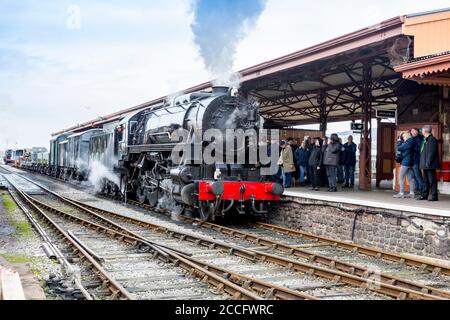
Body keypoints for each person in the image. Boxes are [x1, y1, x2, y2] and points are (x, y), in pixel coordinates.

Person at [418, 125, 440, 201]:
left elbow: (431, 152)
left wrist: (428, 163)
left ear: (425, 131)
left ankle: (434, 196)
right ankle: (425, 195)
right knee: (425, 181)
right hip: (425, 164)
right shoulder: (425, 140)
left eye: (422, 130)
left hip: (430, 164)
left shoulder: (431, 139)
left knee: (432, 181)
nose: (421, 131)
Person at [394, 132, 415, 198]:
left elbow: (399, 148)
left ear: (405, 136)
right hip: (410, 162)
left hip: (406, 162)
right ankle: (412, 193)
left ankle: (401, 193)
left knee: (401, 177)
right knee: (410, 178)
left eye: (403, 137)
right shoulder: (410, 142)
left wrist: (399, 141)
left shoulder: (408, 142)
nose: (402, 138)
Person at [410, 128, 424, 196]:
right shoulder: (413, 138)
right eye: (411, 131)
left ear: (417, 132)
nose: (412, 132)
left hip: (416, 160)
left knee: (418, 176)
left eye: (413, 131)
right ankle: (417, 189)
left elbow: (419, 149)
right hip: (413, 160)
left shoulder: (419, 139)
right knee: (415, 176)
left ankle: (422, 189)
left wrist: (411, 148)